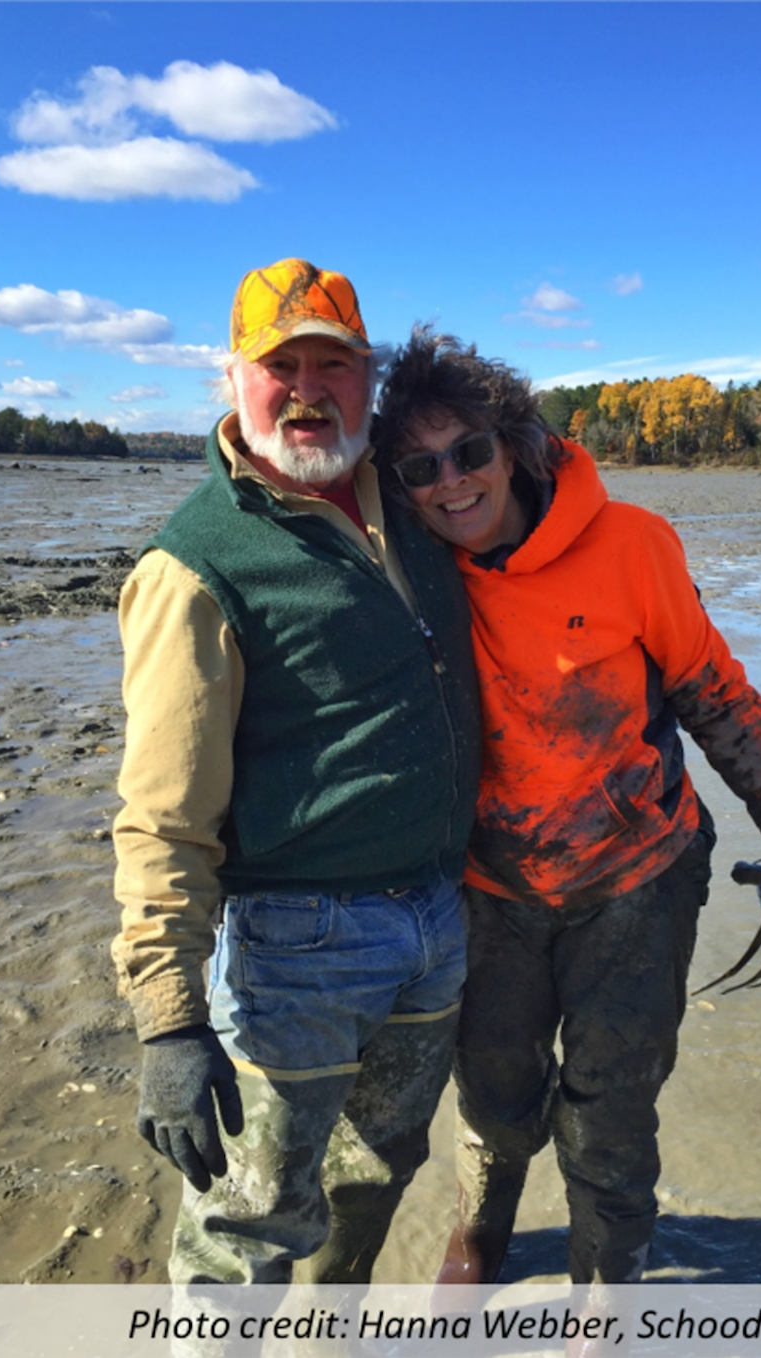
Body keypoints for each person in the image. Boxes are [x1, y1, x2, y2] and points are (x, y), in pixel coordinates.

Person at [372, 327, 761, 1287]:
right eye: (420, 466)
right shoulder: (407, 573)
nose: (451, 481)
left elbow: (716, 692)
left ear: (514, 442)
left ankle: (606, 1284)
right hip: (486, 887)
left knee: (610, 1105)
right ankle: (480, 1233)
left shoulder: (633, 544)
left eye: (469, 451)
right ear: (400, 483)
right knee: (494, 1096)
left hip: (639, 882)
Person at [111, 264, 482, 1287]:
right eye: (283, 364)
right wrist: (170, 1017)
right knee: (245, 1223)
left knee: (377, 1169)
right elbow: (161, 813)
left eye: (335, 363)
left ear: (369, 380)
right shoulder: (194, 565)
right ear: (233, 378)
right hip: (295, 948)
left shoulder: (413, 498)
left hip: (437, 923)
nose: (309, 388)